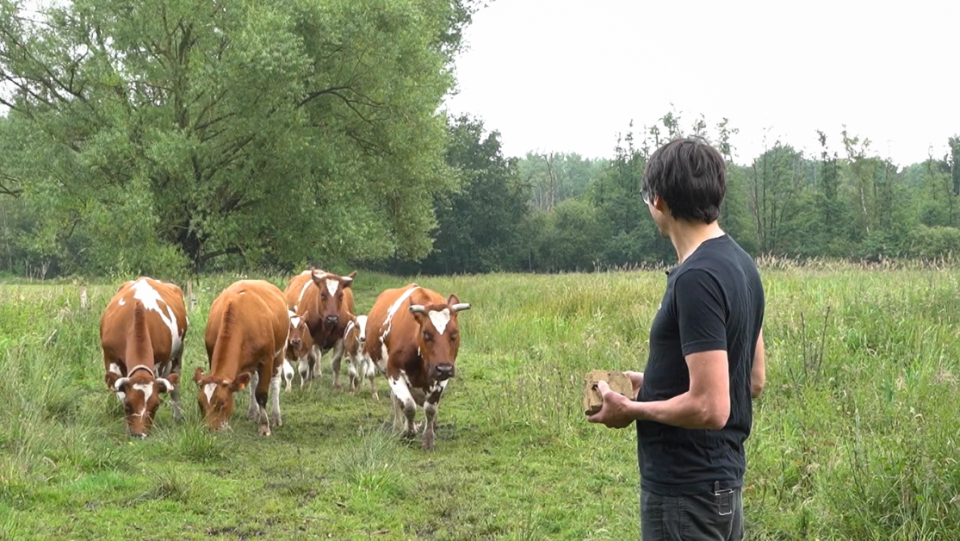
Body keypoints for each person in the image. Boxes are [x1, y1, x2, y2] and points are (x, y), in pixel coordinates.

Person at [587, 137, 766, 540]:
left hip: (687, 491)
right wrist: (649, 383)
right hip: (719, 485)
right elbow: (751, 379)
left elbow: (712, 406)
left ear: (659, 201)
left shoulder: (696, 278)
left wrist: (632, 410)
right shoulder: (742, 265)